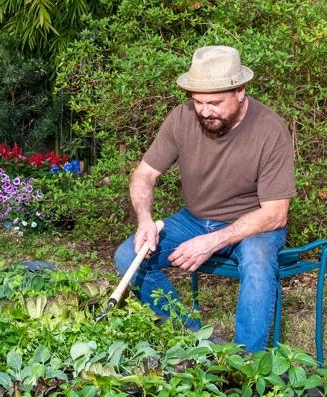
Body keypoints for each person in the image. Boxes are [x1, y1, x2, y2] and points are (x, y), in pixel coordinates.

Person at [114, 45, 295, 351]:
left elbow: (276, 213)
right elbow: (144, 174)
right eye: (197, 101)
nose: (204, 111)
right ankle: (196, 343)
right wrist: (145, 219)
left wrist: (213, 241)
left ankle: (246, 365)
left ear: (240, 91)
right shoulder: (182, 118)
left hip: (252, 224)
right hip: (194, 219)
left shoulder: (270, 130)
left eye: (214, 103)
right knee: (128, 255)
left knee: (258, 261)